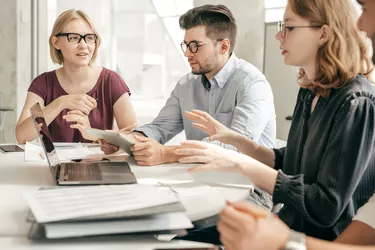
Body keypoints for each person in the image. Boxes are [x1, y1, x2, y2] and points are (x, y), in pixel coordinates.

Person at [175, 0, 375, 244]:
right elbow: (290, 161)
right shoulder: (311, 91)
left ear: (324, 33)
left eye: (289, 27)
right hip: (288, 226)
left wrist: (241, 163)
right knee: (178, 241)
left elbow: (325, 206)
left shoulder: (357, 101)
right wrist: (233, 138)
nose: (279, 36)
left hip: (316, 241)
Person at [100, 4, 276, 167]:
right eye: (186, 45)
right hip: (200, 176)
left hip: (251, 185)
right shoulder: (186, 84)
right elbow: (160, 127)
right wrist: (129, 140)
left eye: (195, 46)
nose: (187, 54)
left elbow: (238, 149)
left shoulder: (252, 84)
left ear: (223, 46)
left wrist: (167, 153)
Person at [16, 9, 137, 143]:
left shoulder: (111, 80)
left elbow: (133, 135)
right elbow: (22, 136)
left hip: (102, 162)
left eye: (89, 38)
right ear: (56, 42)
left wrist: (93, 134)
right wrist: (60, 103)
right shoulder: (42, 83)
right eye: (74, 38)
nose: (84, 45)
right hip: (60, 164)